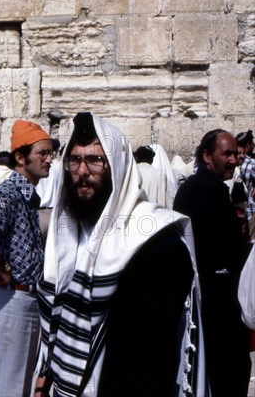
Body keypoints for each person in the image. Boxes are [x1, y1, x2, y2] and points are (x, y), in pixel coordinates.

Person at [34, 112, 207, 397]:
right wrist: (44, 380)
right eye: (74, 160)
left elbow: (154, 358)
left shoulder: (156, 243)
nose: (82, 171)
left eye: (95, 160)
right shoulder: (69, 234)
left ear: (117, 167)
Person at [0, 120, 52, 397]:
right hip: (13, 299)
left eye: (50, 153)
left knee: (16, 384)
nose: (49, 159)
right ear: (20, 157)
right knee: (9, 387)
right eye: (42, 153)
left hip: (24, 299)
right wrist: (2, 268)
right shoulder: (10, 192)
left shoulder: (26, 193)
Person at [174, 129, 252, 397]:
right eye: (227, 154)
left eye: (235, 154)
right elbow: (219, 252)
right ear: (207, 156)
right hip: (217, 306)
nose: (234, 160)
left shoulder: (204, 188)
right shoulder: (206, 192)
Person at [237, 130, 255, 241]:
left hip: (243, 213)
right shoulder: (250, 163)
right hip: (252, 211)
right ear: (248, 145)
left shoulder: (237, 163)